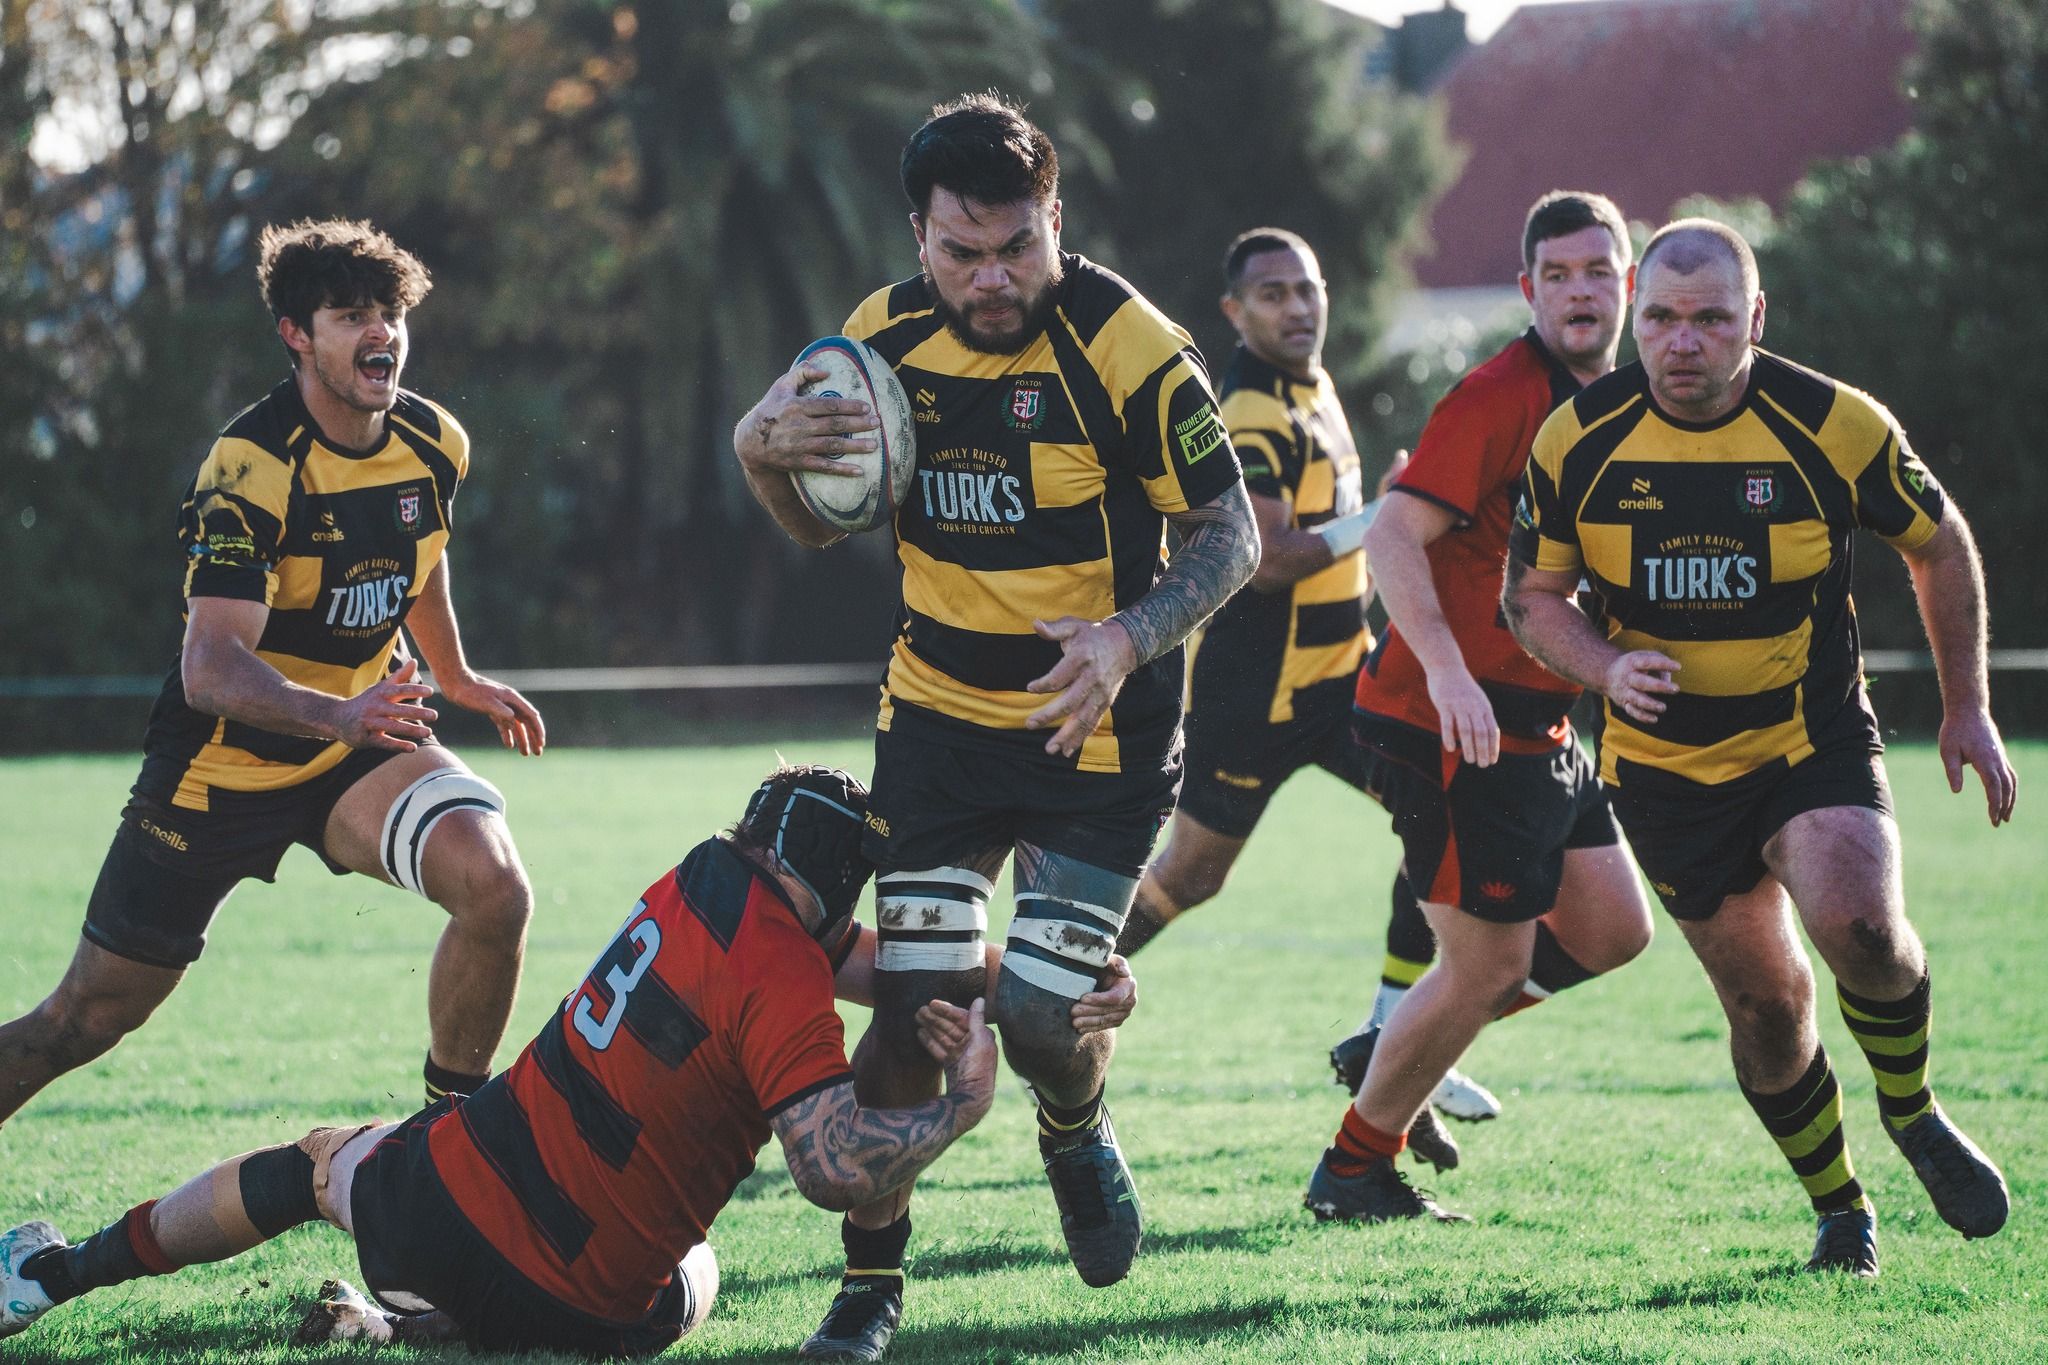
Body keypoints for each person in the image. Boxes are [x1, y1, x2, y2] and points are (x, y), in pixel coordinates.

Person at [0, 766, 1140, 1356]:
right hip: (590, 1308)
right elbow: (832, 1166)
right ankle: (429, 1324)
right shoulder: (785, 974)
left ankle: (56, 1276)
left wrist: (1031, 978)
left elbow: (865, 956)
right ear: (834, 886)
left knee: (311, 1164)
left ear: (754, 836)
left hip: (440, 1210)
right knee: (702, 1265)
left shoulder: (694, 878)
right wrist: (960, 1111)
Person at [734, 92, 1258, 1359]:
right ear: (916, 234)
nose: (990, 278)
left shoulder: (1126, 346)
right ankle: (871, 1287)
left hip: (1101, 743)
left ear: (1053, 220)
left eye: (1015, 246)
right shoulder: (873, 343)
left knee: (1031, 1019)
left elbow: (1231, 532)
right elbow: (823, 525)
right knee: (912, 1010)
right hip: (938, 733)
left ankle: (1073, 1127)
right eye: (960, 252)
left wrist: (1127, 636)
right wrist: (759, 456)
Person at [1504, 218, 2016, 1277]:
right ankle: (1839, 1208)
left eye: (1709, 321)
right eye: (1659, 319)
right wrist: (1601, 667)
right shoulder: (1576, 440)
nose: (1680, 344)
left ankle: (1911, 1111)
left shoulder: (1832, 424)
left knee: (1862, 929)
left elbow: (1937, 542)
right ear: (1636, 309)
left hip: (1805, 736)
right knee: (1766, 1006)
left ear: (1755, 320)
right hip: (1663, 775)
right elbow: (1532, 598)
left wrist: (1964, 704)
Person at [0, 219, 544, 1126]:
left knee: (495, 887)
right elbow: (210, 668)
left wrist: (453, 672)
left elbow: (419, 555)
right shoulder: (251, 465)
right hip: (222, 767)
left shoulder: (435, 441)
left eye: (391, 312)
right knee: (86, 1017)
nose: (381, 333)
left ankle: (451, 1146)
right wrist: (340, 715)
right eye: (350, 315)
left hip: (356, 742)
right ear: (296, 333)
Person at [1303, 192, 1656, 1225]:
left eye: (1598, 271)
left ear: (1625, 286)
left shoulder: (1628, 404)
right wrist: (1449, 669)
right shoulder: (1500, 393)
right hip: (1443, 719)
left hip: (1536, 722)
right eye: (1558, 276)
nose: (1580, 292)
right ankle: (1352, 1169)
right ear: (1528, 292)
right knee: (1487, 962)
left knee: (1610, 929)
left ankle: (1394, 1049)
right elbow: (1391, 539)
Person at [1110, 227, 1488, 1150]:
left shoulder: (1312, 386)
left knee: (1448, 801)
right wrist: (1385, 514)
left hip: (1338, 679)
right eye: (1273, 294)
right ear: (1237, 311)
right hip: (1257, 698)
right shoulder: (1247, 404)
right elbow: (1270, 559)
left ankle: (1392, 1037)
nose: (1297, 307)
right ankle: (1056, 980)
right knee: (1189, 875)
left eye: (1307, 288)